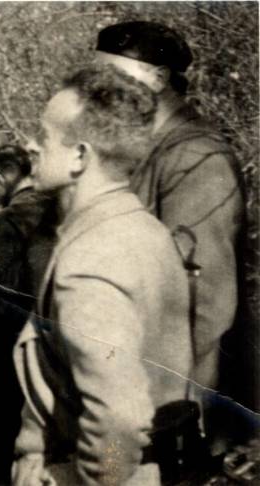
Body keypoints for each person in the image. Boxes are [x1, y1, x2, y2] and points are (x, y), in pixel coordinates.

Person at [12, 65, 194, 485]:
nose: (29, 147)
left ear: (80, 156)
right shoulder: (143, 228)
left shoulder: (90, 259)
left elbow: (119, 415)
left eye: (42, 137)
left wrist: (92, 478)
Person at [95, 21, 251, 448]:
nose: (99, 90)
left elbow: (206, 304)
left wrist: (183, 414)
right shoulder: (147, 152)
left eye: (111, 74)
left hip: (179, 408)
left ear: (159, 78)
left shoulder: (194, 156)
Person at [0, 145, 58, 484]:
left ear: (3, 177)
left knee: (7, 424)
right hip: (59, 329)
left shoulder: (6, 221)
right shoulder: (57, 208)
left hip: (19, 335)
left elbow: (4, 293)